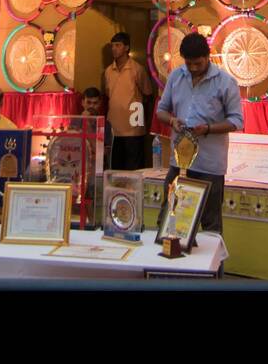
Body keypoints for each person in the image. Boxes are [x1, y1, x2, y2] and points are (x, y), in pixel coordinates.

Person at [155, 32, 243, 233]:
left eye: (198, 64)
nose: (193, 69)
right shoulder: (176, 76)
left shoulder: (225, 81)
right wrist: (172, 121)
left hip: (210, 166)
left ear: (208, 56)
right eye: (189, 64)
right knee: (169, 222)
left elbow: (236, 121)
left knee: (211, 227)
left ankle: (212, 265)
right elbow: (161, 111)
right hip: (179, 164)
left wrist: (208, 129)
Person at [103, 31, 153, 170]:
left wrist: (144, 120)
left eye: (118, 45)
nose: (114, 49)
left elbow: (148, 95)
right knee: (116, 167)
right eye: (112, 46)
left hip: (133, 127)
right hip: (114, 128)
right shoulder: (108, 71)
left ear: (126, 47)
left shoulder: (137, 69)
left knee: (134, 167)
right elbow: (108, 95)